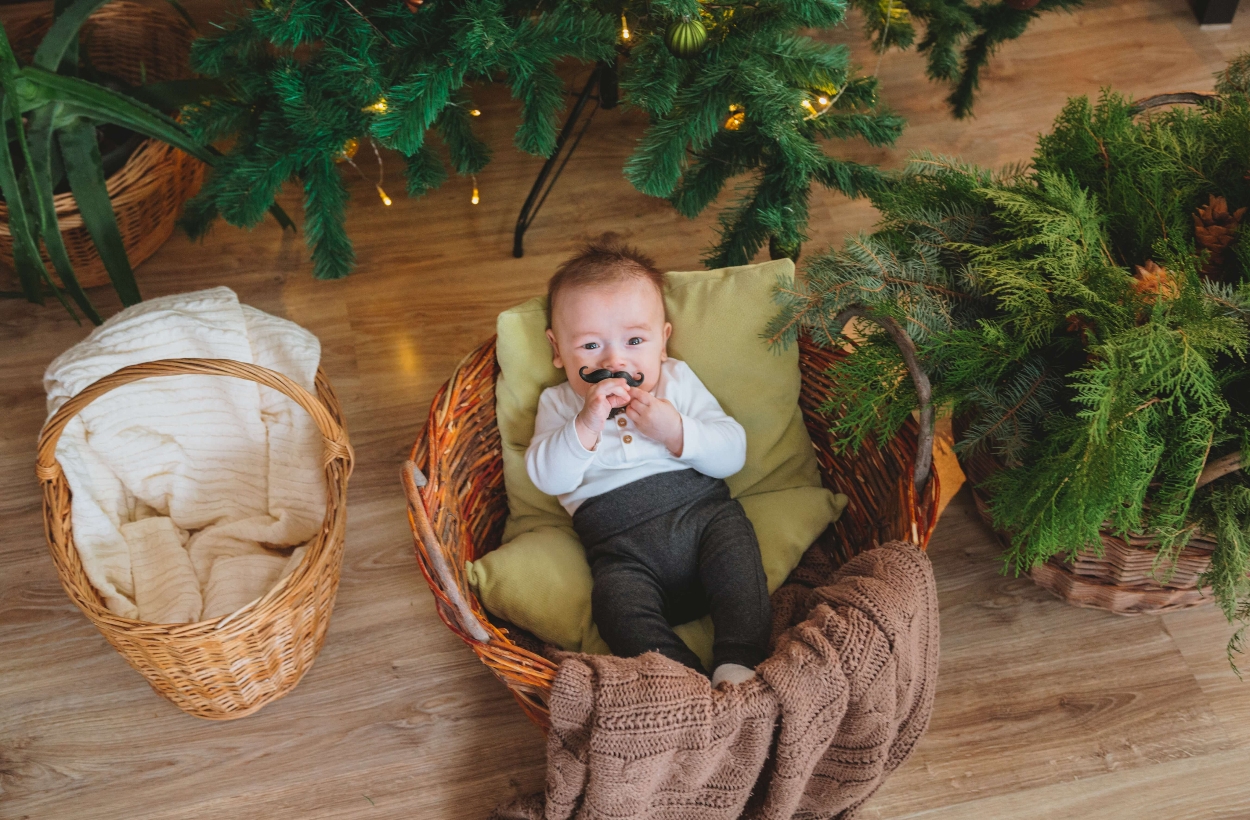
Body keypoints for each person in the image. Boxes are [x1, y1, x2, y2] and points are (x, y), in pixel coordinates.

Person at [525, 239, 770, 687]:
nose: (614, 361)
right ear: (558, 350)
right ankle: (682, 681)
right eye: (591, 345)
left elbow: (732, 451)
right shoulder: (560, 404)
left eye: (635, 341)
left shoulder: (676, 381)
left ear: (662, 343)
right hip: (621, 549)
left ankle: (738, 661)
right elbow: (546, 476)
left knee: (738, 555)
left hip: (702, 517)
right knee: (614, 607)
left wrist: (677, 431)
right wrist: (586, 425)